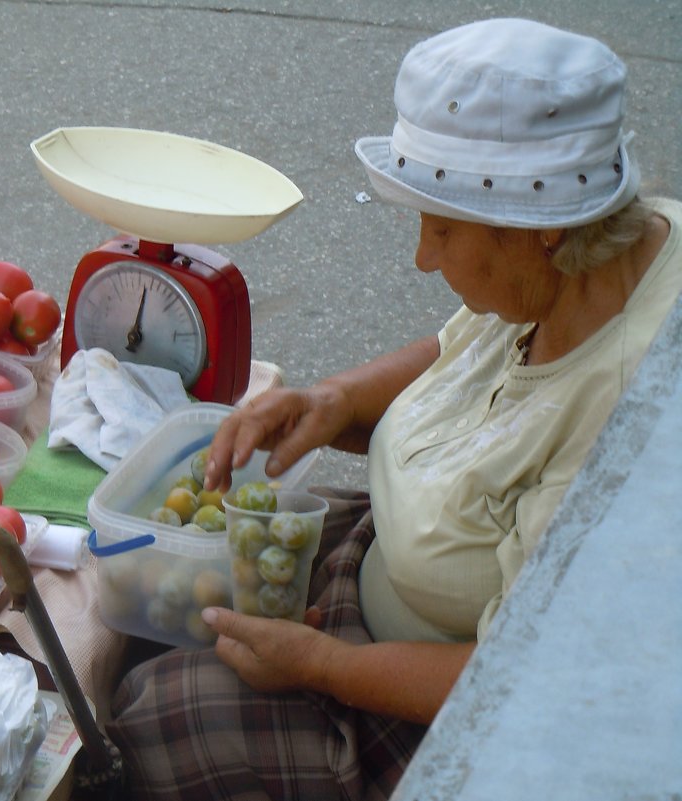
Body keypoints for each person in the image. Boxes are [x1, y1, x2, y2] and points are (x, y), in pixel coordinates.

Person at [105, 17, 681, 800]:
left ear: (538, 233)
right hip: (388, 572)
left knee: (148, 715)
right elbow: (461, 350)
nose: (421, 256)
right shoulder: (597, 255)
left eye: (442, 229)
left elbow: (526, 677)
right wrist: (331, 401)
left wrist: (323, 667)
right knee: (140, 620)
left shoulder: (631, 427)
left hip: (454, 717)